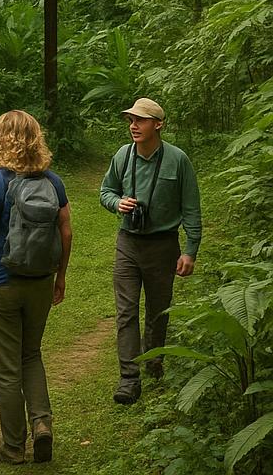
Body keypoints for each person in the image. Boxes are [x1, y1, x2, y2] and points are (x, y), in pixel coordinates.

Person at [0, 110, 72, 465]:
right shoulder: (53, 182)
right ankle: (42, 424)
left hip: (0, 282)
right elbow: (66, 232)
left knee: (8, 367)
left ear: (0, 139)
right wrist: (60, 276)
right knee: (32, 354)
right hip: (40, 280)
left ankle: (13, 446)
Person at [100, 97, 201, 405]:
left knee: (157, 311)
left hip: (163, 245)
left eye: (140, 120)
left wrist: (190, 251)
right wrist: (118, 203)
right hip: (128, 242)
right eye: (130, 120)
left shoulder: (178, 160)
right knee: (126, 312)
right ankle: (129, 379)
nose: (133, 125)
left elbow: (191, 209)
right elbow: (106, 191)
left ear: (158, 125)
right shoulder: (122, 156)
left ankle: (154, 360)